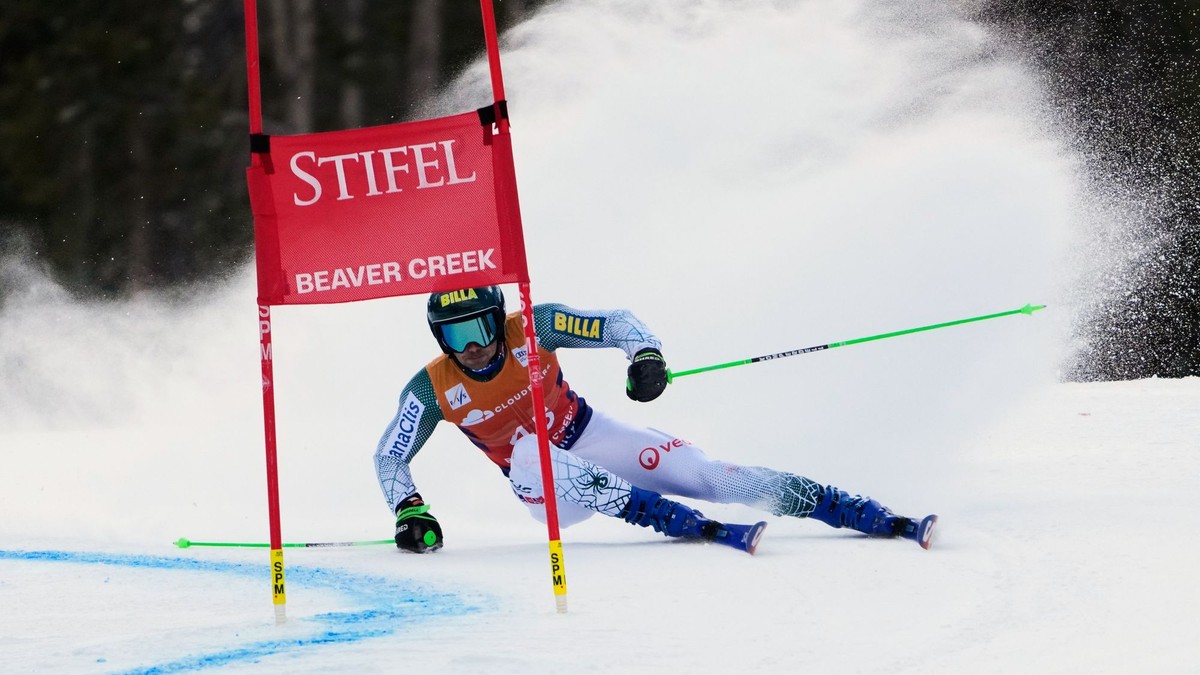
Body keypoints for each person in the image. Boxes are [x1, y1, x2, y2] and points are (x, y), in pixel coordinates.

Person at [375, 285, 936, 554]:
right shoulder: (431, 388)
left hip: (591, 434)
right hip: (545, 490)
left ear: (498, 321)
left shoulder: (536, 327)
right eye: (454, 336)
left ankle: (864, 513)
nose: (470, 347)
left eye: (479, 329)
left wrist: (644, 357)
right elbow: (390, 453)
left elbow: (616, 322)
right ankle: (684, 524)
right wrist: (410, 510)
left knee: (713, 475)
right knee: (529, 452)